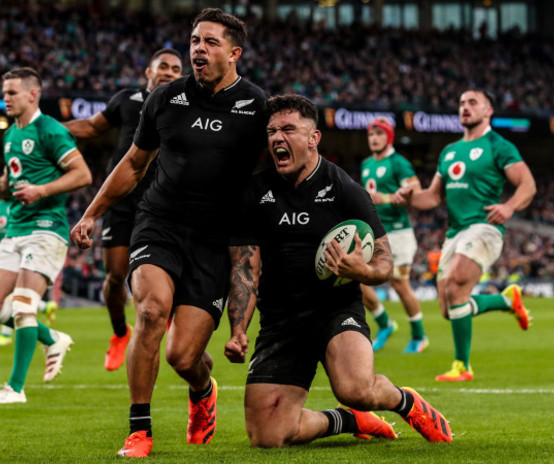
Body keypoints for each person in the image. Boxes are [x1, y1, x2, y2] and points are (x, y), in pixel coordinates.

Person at [71, 8, 268, 458]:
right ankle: (140, 429)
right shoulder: (166, 99)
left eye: (211, 42)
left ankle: (203, 390)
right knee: (152, 311)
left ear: (235, 53)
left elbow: (282, 163)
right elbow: (134, 165)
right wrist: (91, 213)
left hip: (215, 239)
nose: (198, 48)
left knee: (184, 357)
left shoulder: (257, 105)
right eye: (195, 40)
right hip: (159, 221)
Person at [225, 94, 452, 448]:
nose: (277, 138)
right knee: (267, 437)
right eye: (271, 131)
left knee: (357, 389)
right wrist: (238, 329)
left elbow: (384, 261)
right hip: (281, 319)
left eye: (288, 129)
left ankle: (405, 401)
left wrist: (363, 270)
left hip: (335, 309)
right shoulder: (256, 191)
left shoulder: (346, 189)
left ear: (313, 138)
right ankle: (347, 420)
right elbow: (244, 269)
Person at [395, 89, 536, 381]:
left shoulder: (499, 145)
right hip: (455, 231)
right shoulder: (449, 152)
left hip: (485, 227)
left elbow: (528, 185)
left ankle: (463, 366)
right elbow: (432, 198)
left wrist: (509, 207)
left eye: (473, 103)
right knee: (448, 306)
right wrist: (408, 197)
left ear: (488, 111)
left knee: (457, 284)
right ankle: (506, 301)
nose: (465, 108)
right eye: (461, 103)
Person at [0, 67, 92, 403]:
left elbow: (83, 174)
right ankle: (51, 337)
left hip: (46, 228)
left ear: (33, 94)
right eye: (4, 93)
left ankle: (14, 388)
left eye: (12, 93)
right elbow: (16, 189)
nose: (5, 99)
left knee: (23, 306)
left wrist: (41, 190)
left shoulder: (50, 130)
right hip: (16, 228)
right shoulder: (10, 135)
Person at [64, 48, 183, 371]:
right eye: (164, 67)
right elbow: (91, 127)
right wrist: (47, 127)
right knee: (116, 275)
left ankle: (169, 322)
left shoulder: (185, 105)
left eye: (176, 68)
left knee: (167, 271)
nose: (170, 73)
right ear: (149, 71)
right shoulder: (126, 100)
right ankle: (119, 334)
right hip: (121, 200)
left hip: (162, 202)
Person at [359, 118, 428, 353]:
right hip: (374, 232)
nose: (374, 138)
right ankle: (384, 323)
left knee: (399, 284)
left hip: (399, 232)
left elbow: (417, 193)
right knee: (357, 278)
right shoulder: (366, 164)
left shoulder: (399, 164)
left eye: (379, 134)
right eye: (370, 134)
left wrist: (389, 198)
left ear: (388, 137)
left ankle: (419, 336)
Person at [0, 199, 58, 347]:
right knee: (13, 295)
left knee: (9, 296)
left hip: (20, 252)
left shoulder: (22, 202)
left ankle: (6, 335)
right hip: (3, 255)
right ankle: (45, 307)